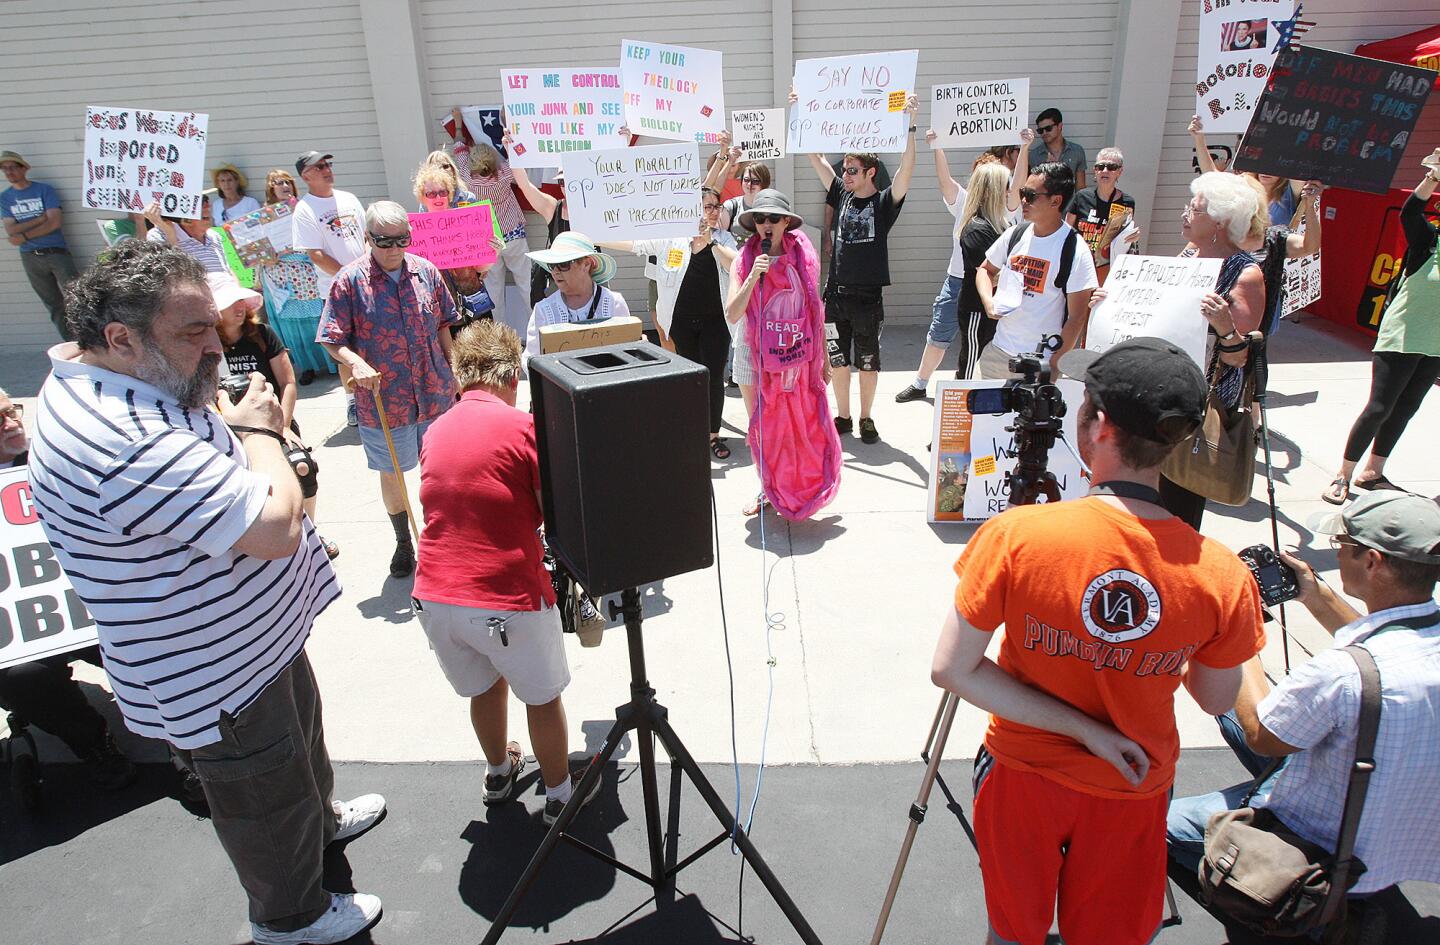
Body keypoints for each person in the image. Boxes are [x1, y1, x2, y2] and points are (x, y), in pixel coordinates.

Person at [27, 239, 384, 945]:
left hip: (253, 641)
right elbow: (278, 525)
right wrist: (259, 433)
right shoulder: (121, 436)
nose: (216, 345)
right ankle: (292, 916)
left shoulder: (129, 379)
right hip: (218, 669)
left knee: (299, 755)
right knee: (263, 799)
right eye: (193, 331)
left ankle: (323, 819)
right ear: (120, 336)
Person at [932, 337, 1265, 945]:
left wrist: (1084, 730)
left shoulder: (1017, 535)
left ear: (1097, 424)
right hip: (1134, 783)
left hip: (1022, 774)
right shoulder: (1221, 573)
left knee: (1013, 932)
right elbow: (1219, 700)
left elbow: (953, 669)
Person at [1167, 490, 1440, 904]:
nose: (1339, 552)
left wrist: (1241, 628)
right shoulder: (1412, 644)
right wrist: (1316, 594)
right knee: (1227, 709)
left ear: (1372, 561)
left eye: (1343, 546)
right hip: (1393, 817)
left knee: (1151, 821)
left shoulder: (1339, 674)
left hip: (1323, 846)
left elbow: (1261, 733)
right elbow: (1380, 640)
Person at [412, 320, 600, 825]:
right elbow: (553, 511)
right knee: (542, 699)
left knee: (484, 687)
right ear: (513, 375)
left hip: (435, 595)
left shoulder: (435, 430)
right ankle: (559, 794)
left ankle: (498, 770)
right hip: (506, 594)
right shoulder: (522, 429)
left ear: (460, 377)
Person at [0, 386, 136, 790]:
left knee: (151, 634)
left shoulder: (57, 459)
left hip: (96, 601)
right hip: (26, 620)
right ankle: (93, 742)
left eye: (13, 412)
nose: (11, 424)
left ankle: (186, 750)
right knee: (19, 674)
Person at [316, 201, 459, 580]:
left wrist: (455, 367)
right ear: (367, 238)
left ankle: (439, 540)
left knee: (439, 472)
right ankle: (403, 542)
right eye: (384, 241)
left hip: (434, 391)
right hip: (385, 397)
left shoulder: (426, 271)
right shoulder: (348, 281)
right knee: (393, 472)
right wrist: (354, 362)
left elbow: (445, 324)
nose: (394, 249)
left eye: (402, 240)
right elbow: (331, 338)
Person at [796, 92, 919, 444]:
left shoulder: (883, 202)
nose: (845, 175)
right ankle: (844, 416)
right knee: (837, 361)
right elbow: (816, 157)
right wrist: (800, 109)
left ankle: (866, 418)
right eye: (844, 169)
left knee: (868, 363)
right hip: (836, 296)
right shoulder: (841, 193)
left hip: (868, 299)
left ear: (870, 172)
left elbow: (906, 171)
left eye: (852, 170)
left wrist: (910, 126)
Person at [1323, 154, 1440, 504]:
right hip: (1401, 336)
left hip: (1434, 344)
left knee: (1406, 408)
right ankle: (1342, 475)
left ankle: (1373, 472)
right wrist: (1433, 178)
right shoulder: (1429, 242)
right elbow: (1409, 213)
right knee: (1380, 407)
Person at [1155, 172, 1266, 530]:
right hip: (1165, 387)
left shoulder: (1245, 273)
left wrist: (1223, 324)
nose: (1185, 213)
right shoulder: (1189, 254)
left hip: (1198, 402)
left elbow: (1237, 357)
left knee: (1180, 496)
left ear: (1220, 221)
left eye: (1196, 209)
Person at [597, 189, 738, 458]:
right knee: (690, 377)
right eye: (707, 206)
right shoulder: (671, 240)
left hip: (716, 323)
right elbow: (634, 244)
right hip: (681, 322)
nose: (713, 211)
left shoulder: (724, 239)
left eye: (716, 206)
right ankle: (692, 431)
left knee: (713, 377)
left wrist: (711, 243)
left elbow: (736, 266)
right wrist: (593, 235)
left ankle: (712, 435)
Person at [726, 189, 840, 519]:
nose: (766, 224)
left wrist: (825, 358)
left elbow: (814, 311)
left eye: (773, 218)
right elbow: (733, 313)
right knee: (763, 430)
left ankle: (796, 485)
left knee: (796, 428)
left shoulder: (803, 258)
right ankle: (768, 488)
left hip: (795, 356)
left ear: (786, 222)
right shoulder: (743, 261)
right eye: (760, 219)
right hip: (752, 356)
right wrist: (752, 277)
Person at [212, 272, 338, 560]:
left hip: (274, 420)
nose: (240, 306)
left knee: (303, 466)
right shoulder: (206, 345)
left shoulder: (262, 334)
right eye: (230, 303)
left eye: (241, 300)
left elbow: (288, 383)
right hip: (230, 428)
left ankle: (308, 532)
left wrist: (283, 425)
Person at [897, 159, 1010, 400]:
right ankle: (958, 415)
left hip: (993, 308)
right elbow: (989, 272)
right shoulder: (976, 228)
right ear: (993, 190)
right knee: (969, 363)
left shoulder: (1002, 224)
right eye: (1006, 185)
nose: (1011, 191)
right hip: (975, 307)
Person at [974, 162, 1098, 379]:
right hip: (998, 354)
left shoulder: (1074, 249)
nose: (1023, 200)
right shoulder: (1016, 234)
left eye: (1031, 195)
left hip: (1038, 363)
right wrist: (988, 301)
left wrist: (1054, 365)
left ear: (1056, 201)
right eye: (1023, 192)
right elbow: (985, 270)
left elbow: (1077, 318)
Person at [291, 149, 368, 426]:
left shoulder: (348, 198)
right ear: (306, 175)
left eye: (328, 164)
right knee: (343, 349)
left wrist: (368, 268)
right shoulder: (305, 210)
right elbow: (316, 255)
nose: (327, 169)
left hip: (368, 283)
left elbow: (367, 235)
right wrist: (350, 276)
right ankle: (353, 402)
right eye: (319, 166)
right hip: (336, 290)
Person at [449, 109, 531, 336]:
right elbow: (516, 161)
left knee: (494, 289)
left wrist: (457, 124)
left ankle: (499, 333)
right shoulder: (503, 175)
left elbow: (458, 147)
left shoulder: (465, 177)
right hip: (513, 235)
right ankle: (537, 328)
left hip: (488, 241)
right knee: (526, 284)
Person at [258, 169, 333, 385]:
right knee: (293, 324)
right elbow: (255, 249)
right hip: (280, 275)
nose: (284, 186)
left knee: (316, 318)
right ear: (270, 187)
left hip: (307, 272)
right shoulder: (262, 216)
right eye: (278, 182)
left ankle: (331, 362)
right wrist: (267, 258)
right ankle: (307, 366)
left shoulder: (305, 208)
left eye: (287, 182)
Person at [412, 161, 501, 333]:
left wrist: (493, 253)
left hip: (475, 305)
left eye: (442, 192)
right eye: (431, 194)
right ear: (422, 197)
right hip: (443, 315)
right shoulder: (416, 232)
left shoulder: (466, 221)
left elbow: (480, 270)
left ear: (449, 194)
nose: (438, 198)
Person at [2, 150, 76, 340]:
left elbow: (54, 222)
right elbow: (11, 231)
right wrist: (40, 218)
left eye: (12, 167)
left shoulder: (45, 190)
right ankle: (71, 344)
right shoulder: (5, 198)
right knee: (53, 304)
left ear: (23, 168)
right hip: (30, 257)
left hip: (56, 252)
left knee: (77, 298)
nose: (9, 172)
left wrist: (23, 234)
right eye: (5, 169)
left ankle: (91, 342)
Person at [523, 232, 631, 360]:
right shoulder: (543, 309)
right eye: (552, 265)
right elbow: (531, 359)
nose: (556, 271)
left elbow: (628, 353)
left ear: (586, 264)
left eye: (563, 264)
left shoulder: (614, 302)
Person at [1065, 147, 1139, 282]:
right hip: (1079, 264)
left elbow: (1124, 236)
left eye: (1111, 167)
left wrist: (1132, 237)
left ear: (1119, 172)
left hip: (1108, 269)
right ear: (1095, 170)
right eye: (1100, 167)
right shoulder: (1081, 196)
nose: (1105, 171)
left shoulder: (1127, 202)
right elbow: (1066, 230)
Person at [143, 194, 233, 276]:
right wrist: (170, 233)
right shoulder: (158, 234)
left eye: (206, 201)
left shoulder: (214, 235)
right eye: (199, 203)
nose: (208, 206)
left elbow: (228, 271)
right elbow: (170, 275)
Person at [1028, 107, 1087, 190]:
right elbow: (1033, 188)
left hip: (1071, 202)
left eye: (1048, 128)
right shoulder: (1034, 155)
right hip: (1046, 202)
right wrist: (1047, 171)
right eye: (1040, 131)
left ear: (1060, 126)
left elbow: (1080, 188)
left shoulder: (1076, 151)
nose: (1044, 133)